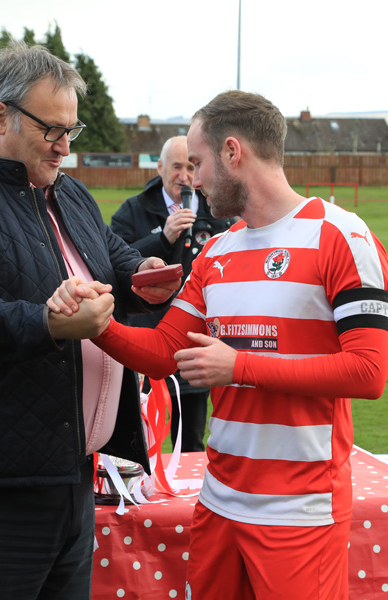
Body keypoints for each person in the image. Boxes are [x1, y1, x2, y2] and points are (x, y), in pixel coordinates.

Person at [49, 90, 388, 599]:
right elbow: (166, 350)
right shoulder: (216, 251)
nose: (191, 178)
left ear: (234, 153)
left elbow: (368, 373)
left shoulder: (343, 236)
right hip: (218, 505)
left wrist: (240, 366)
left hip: (300, 513)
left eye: (197, 162)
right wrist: (98, 325)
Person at [0, 41, 178, 600]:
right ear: (0, 116)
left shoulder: (69, 195)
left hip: (69, 477)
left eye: (73, 130)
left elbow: (115, 264)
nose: (66, 147)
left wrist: (146, 275)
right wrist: (48, 324)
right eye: (53, 130)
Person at [110, 135, 237, 451]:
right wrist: (163, 237)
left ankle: (188, 499)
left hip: (195, 342)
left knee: (191, 441)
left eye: (192, 166)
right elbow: (111, 262)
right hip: (147, 338)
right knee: (139, 438)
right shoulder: (133, 210)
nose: (185, 176)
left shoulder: (215, 209)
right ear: (160, 167)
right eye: (177, 166)